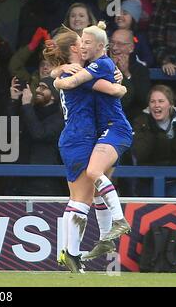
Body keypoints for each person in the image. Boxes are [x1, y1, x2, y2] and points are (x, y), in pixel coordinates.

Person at [43, 26, 127, 272]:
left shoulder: (75, 71)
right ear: (73, 49)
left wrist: (56, 74)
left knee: (82, 198)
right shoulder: (79, 72)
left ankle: (74, 253)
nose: (84, 45)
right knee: (81, 200)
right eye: (81, 42)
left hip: (77, 137)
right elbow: (111, 89)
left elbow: (60, 79)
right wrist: (120, 86)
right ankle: (72, 255)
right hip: (80, 137)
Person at [132, 85, 176, 197]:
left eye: (161, 101)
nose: (156, 105)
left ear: (170, 104)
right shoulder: (141, 122)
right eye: (152, 101)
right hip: (148, 180)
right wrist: (151, 130)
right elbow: (140, 154)